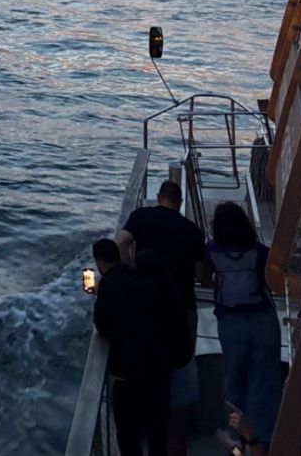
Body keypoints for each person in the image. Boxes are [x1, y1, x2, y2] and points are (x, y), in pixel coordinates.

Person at [118, 179, 206, 455]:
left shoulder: (141, 217)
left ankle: (141, 422)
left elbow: (120, 243)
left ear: (159, 198)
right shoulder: (193, 231)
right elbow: (200, 274)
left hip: (146, 305)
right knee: (178, 379)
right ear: (179, 203)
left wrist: (131, 272)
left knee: (144, 365)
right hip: (182, 307)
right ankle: (175, 445)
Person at [205, 202, 281, 456]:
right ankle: (262, 435)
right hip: (263, 320)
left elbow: (204, 276)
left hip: (231, 322)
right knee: (264, 379)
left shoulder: (212, 251)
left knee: (234, 377)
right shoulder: (258, 251)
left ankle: (233, 435)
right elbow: (273, 279)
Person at [92, 237, 172, 456]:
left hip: (128, 378)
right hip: (157, 373)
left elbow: (102, 325)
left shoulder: (108, 285)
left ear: (99, 263)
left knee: (128, 437)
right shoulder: (141, 277)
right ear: (119, 256)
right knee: (157, 434)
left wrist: (100, 297)